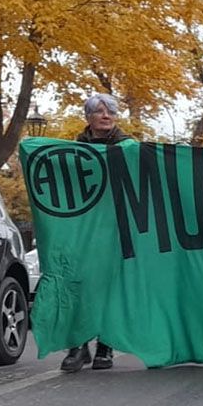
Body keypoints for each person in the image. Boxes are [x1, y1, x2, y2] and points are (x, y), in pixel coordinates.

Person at [60, 93, 133, 373]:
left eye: (110, 111)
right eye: (99, 111)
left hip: (114, 227)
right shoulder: (71, 151)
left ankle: (105, 345)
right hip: (81, 227)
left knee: (109, 285)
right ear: (88, 117)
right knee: (78, 283)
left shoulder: (128, 147)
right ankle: (78, 346)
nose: (106, 116)